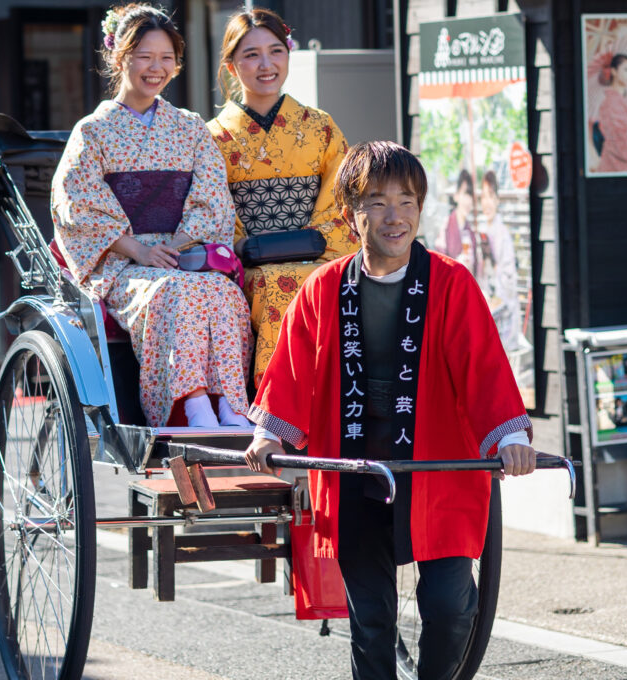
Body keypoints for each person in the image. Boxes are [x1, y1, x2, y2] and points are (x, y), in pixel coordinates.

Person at [244, 141, 536, 680]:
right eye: (377, 203)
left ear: (421, 208)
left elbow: (484, 368)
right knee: (372, 621)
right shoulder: (323, 289)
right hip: (354, 471)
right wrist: (270, 435)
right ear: (349, 214)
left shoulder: (451, 282)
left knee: (451, 607)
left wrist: (509, 437)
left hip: (438, 466)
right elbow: (292, 370)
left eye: (406, 202)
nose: (394, 216)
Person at [51, 3, 252, 428]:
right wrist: (139, 251)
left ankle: (232, 405)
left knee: (224, 292)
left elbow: (211, 200)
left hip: (181, 253)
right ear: (119, 56)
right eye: (144, 56)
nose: (156, 68)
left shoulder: (190, 127)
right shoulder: (92, 131)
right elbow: (77, 206)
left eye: (166, 57)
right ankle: (191, 406)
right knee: (174, 292)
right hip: (123, 263)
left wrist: (175, 248)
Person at [207, 8, 357, 387]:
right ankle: (279, 401)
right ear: (231, 66)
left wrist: (315, 241)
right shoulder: (212, 137)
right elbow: (211, 207)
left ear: (289, 54)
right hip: (249, 263)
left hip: (319, 252)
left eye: (276, 51)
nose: (266, 64)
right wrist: (242, 246)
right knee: (276, 282)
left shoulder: (320, 126)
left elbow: (342, 196)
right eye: (251, 54)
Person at [478, 169, 521, 351]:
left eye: (490, 196)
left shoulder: (502, 234)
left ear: (497, 199)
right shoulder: (482, 230)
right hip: (489, 308)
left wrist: (495, 298)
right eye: (483, 197)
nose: (486, 202)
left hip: (503, 313)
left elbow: (508, 278)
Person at [435, 169, 478, 276]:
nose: (468, 201)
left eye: (470, 196)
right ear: (456, 196)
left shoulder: (470, 232)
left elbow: (475, 269)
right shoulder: (446, 224)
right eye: (465, 194)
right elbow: (439, 261)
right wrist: (457, 263)